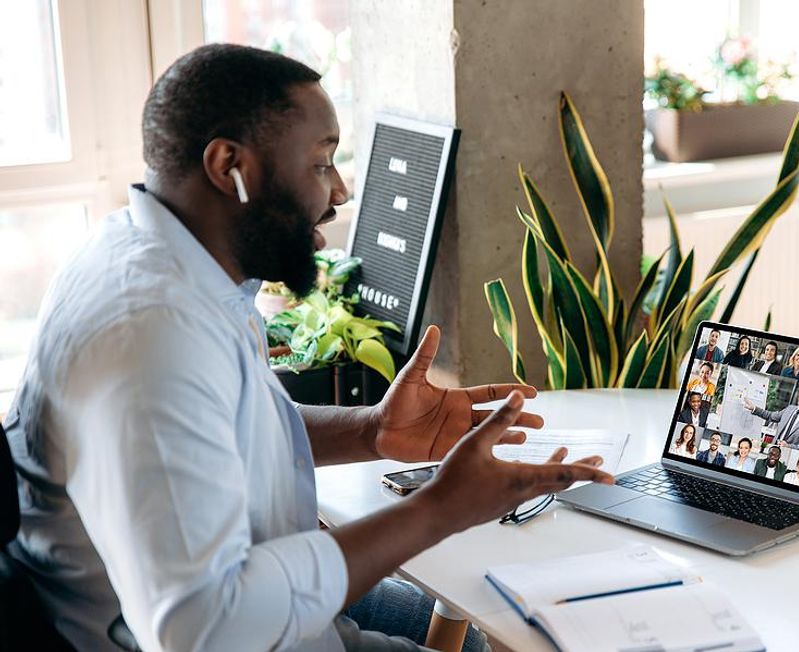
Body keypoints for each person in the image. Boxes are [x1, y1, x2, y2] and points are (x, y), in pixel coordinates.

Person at [1, 45, 614, 652]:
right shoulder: (153, 340)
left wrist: (370, 430)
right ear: (228, 167)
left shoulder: (158, 254)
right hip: (220, 626)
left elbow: (217, 428)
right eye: (322, 164)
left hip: (252, 588)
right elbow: (203, 629)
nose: (342, 191)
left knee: (484, 625)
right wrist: (441, 508)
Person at [741, 383, 799, 452]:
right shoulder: (790, 409)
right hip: (773, 449)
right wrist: (754, 408)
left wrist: (788, 446)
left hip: (789, 456)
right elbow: (770, 416)